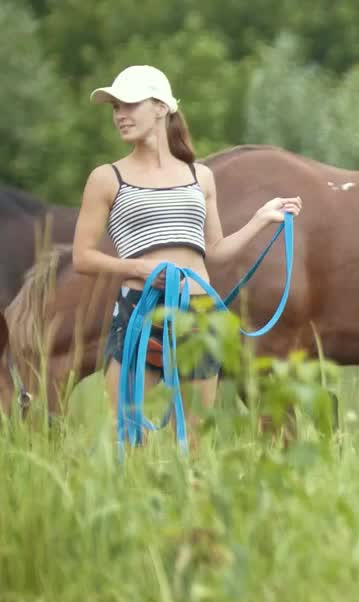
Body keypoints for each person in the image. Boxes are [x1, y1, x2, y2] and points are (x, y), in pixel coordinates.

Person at [70, 65, 302, 448]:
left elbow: (214, 253)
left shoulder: (200, 176)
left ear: (160, 108)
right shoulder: (106, 178)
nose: (120, 115)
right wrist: (137, 268)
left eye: (130, 104)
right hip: (140, 310)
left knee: (194, 439)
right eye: (115, 107)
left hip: (197, 312)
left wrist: (262, 218)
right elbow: (83, 257)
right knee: (124, 432)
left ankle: (188, 502)